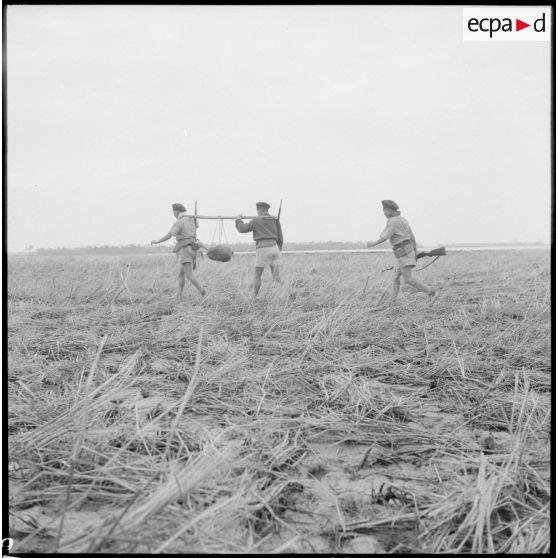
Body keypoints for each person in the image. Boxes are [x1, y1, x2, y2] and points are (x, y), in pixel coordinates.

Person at [367, 200, 438, 302]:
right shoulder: (403, 220)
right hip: (406, 253)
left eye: (385, 210)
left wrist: (372, 244)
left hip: (404, 254)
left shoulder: (392, 221)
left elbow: (385, 236)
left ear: (390, 210)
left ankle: (431, 292)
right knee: (395, 277)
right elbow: (412, 236)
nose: (384, 213)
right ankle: (392, 301)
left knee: (408, 279)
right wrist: (414, 251)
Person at [151, 203, 208, 299]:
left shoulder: (180, 222)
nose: (173, 214)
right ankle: (179, 294)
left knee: (189, 276)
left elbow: (169, 235)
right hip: (193, 249)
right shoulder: (192, 218)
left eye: (173, 212)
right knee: (181, 274)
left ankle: (203, 291)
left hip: (185, 250)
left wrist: (157, 242)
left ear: (176, 211)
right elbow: (196, 226)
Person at [235, 201, 284, 297]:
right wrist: (279, 248)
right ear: (267, 210)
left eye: (257, 210)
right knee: (277, 276)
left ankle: (255, 297)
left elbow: (242, 229)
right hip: (275, 248)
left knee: (257, 275)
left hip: (263, 248)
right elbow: (280, 235)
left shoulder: (257, 220)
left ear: (259, 210)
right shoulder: (274, 219)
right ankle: (288, 288)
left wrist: (238, 220)